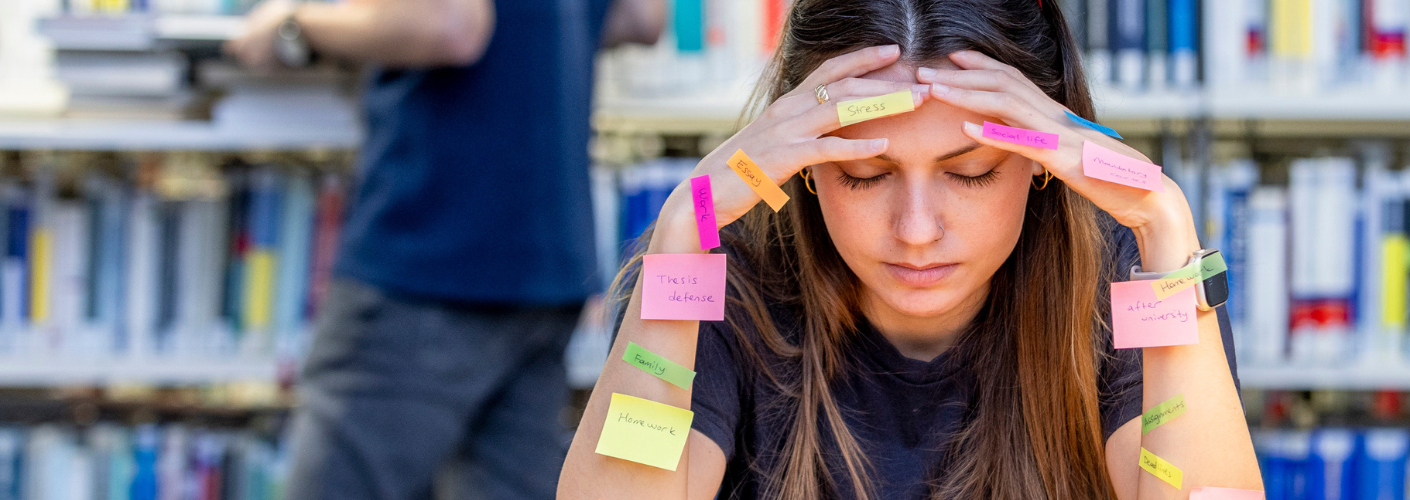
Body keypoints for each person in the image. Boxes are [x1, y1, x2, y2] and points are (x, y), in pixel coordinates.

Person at [557, 0, 1262, 498]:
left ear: (1043, 160)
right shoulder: (711, 283)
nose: (917, 229)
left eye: (970, 172)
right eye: (865, 174)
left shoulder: (1135, 282)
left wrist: (1165, 224)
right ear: (803, 162)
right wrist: (685, 227)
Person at [223, 0, 664, 497]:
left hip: (436, 249)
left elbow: (450, 23)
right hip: (548, 256)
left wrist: (295, 26)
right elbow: (642, 18)